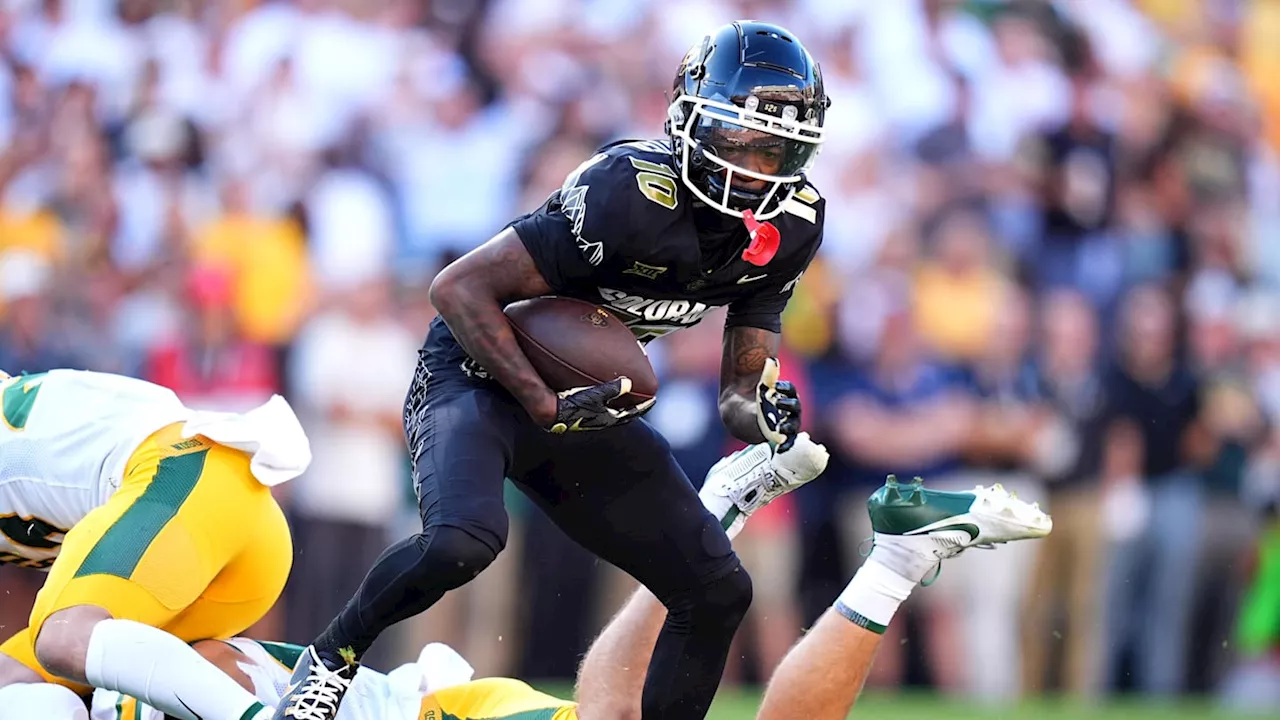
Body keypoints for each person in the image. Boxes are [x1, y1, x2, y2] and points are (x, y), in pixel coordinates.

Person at [274, 20, 829, 720]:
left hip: (586, 401)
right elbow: (457, 289)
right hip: (476, 372)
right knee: (460, 542)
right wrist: (542, 404)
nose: (754, 165)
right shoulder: (628, 192)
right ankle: (332, 659)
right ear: (689, 120)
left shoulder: (792, 225)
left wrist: (763, 418)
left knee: (717, 588)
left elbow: (739, 388)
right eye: (738, 139)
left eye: (774, 147)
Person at [101, 433, 1051, 720]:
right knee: (613, 709)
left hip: (421, 711)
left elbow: (136, 658)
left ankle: (884, 558)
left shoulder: (115, 669)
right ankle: (857, 551)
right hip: (429, 703)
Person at [0, 368, 311, 720]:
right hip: (241, 515)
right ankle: (349, 696)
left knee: (63, 638)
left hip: (179, 481)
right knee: (15, 678)